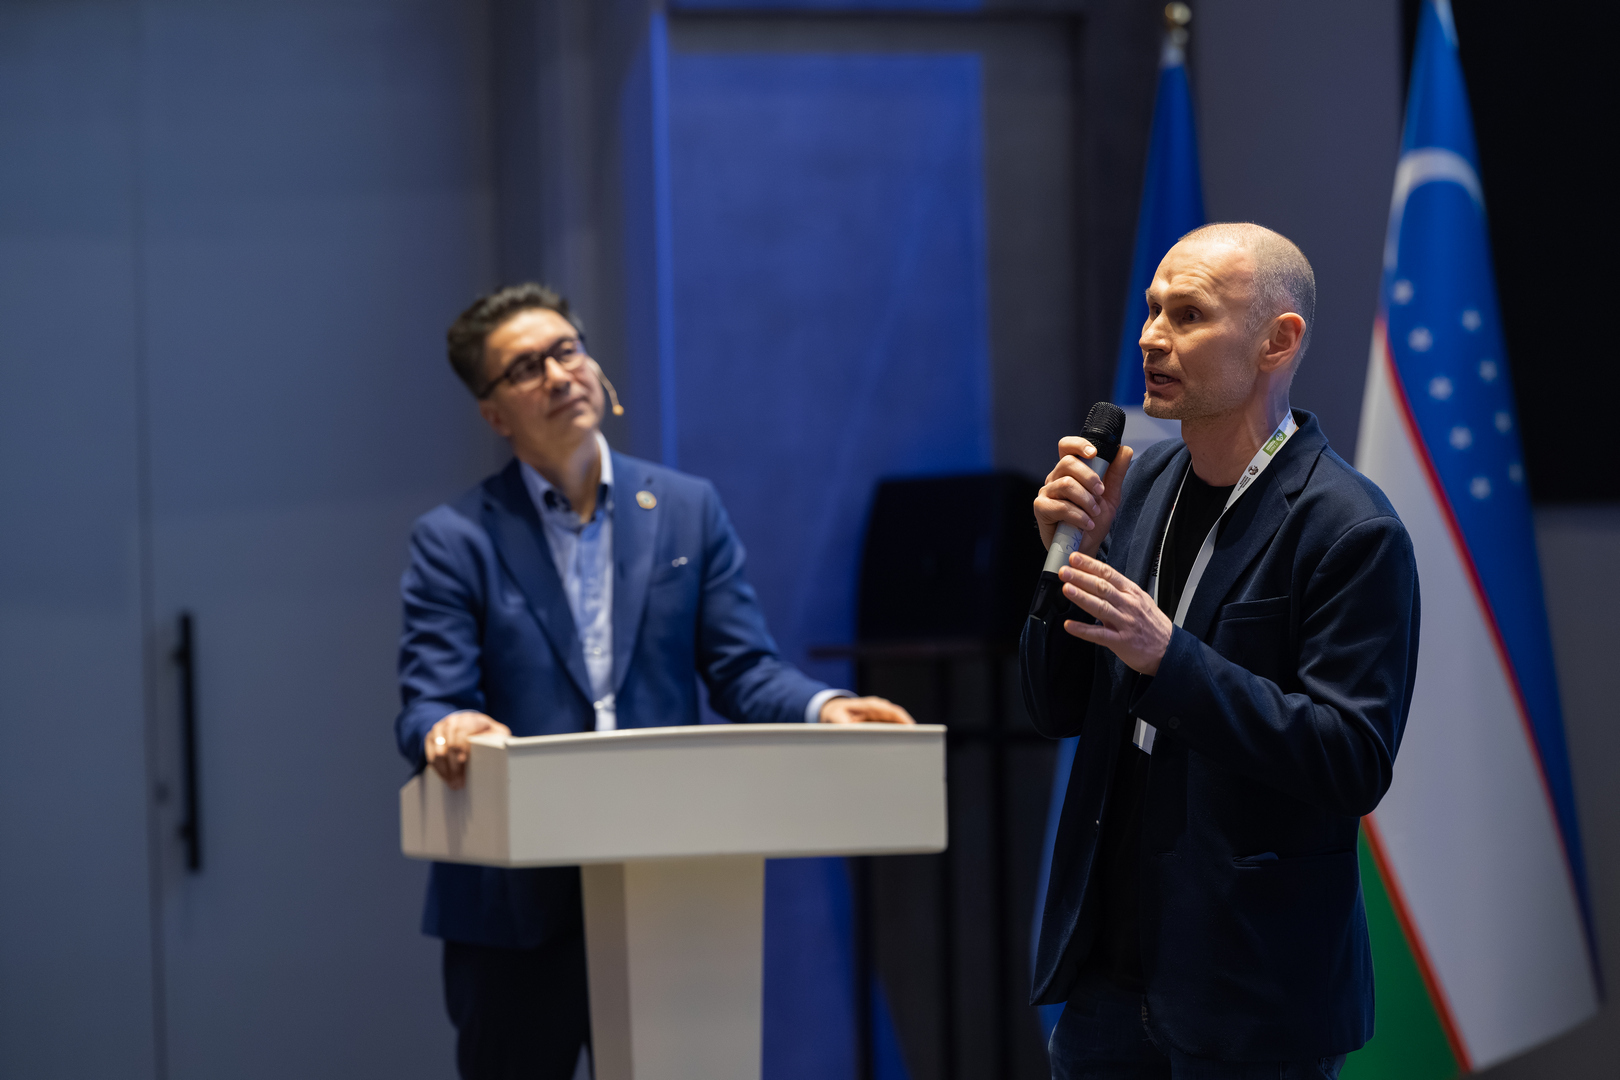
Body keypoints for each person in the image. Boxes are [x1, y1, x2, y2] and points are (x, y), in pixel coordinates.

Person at [395, 283, 914, 1080]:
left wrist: (824, 707)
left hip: (669, 887)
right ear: (494, 415)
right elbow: (430, 698)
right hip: (515, 912)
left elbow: (742, 668)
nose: (559, 374)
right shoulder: (455, 539)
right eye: (526, 368)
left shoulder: (683, 510)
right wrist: (448, 727)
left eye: (567, 350)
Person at [1022, 224, 1420, 1079]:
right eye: (1152, 310)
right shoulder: (1139, 486)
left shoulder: (1350, 528)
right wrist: (1062, 561)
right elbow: (1055, 708)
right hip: (1105, 978)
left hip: (1250, 989)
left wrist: (1172, 660)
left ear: (1279, 341)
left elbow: (1351, 760)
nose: (1151, 337)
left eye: (1189, 315)